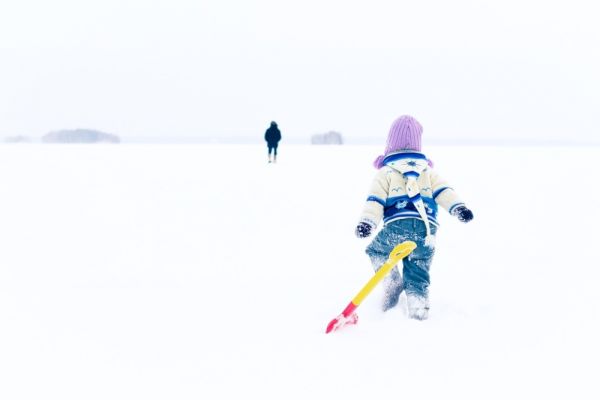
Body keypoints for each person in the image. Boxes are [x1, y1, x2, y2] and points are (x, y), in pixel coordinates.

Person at [355, 115, 474, 320]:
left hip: (397, 227)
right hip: (426, 231)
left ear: (390, 143)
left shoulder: (386, 172)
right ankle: (418, 307)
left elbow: (375, 200)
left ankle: (392, 282)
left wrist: (368, 222)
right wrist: (458, 208)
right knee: (418, 268)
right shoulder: (427, 171)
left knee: (377, 251)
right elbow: (444, 190)